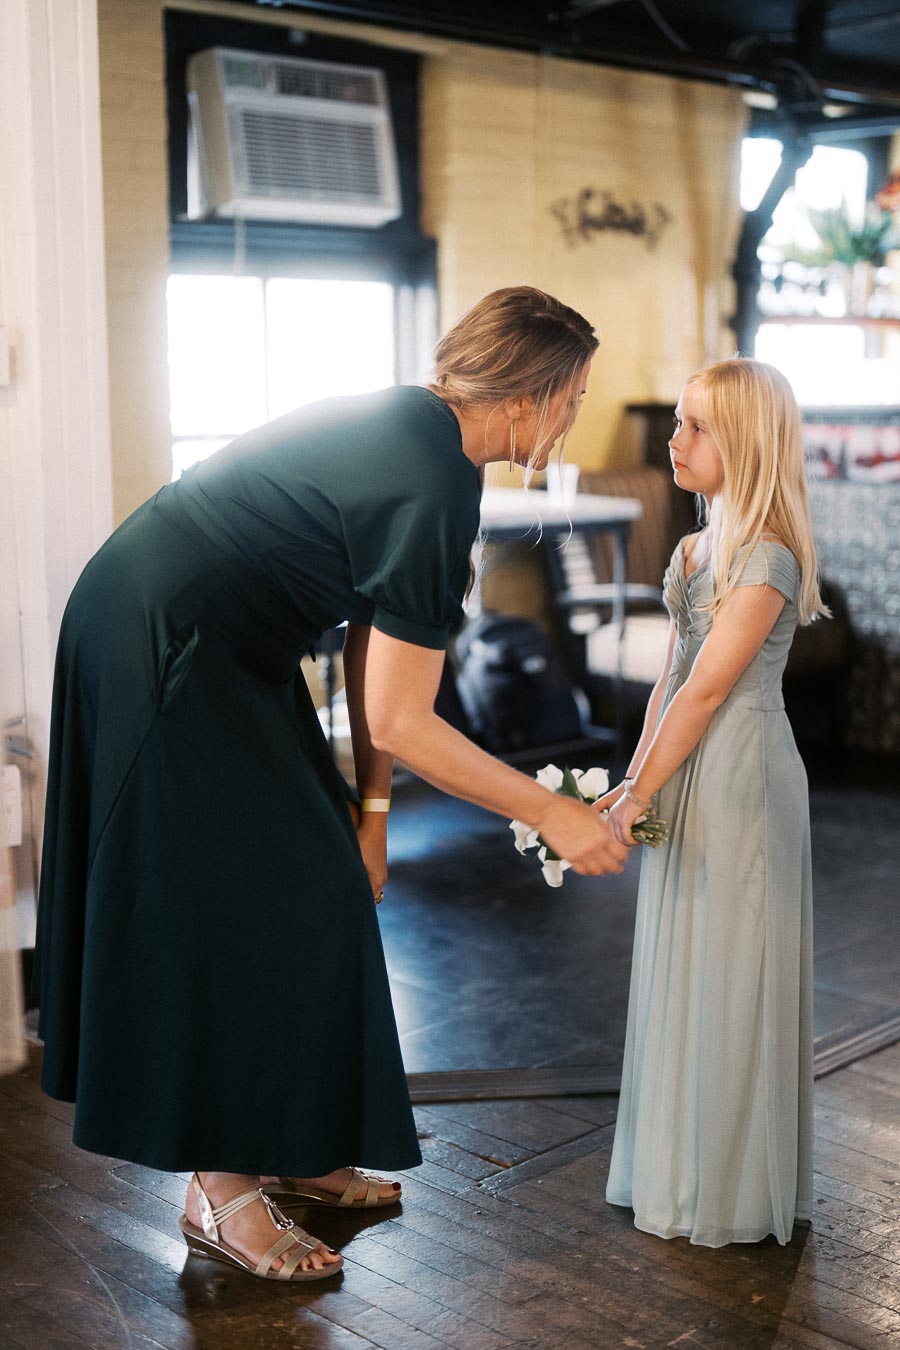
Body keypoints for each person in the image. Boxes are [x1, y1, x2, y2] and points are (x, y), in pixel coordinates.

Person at [34, 286, 629, 1282]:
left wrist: (374, 811)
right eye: (571, 397)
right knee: (244, 899)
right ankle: (221, 1191)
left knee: (326, 874)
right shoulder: (436, 479)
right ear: (529, 395)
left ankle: (297, 1147)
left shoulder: (419, 433)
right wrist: (549, 811)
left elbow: (373, 642)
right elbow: (403, 714)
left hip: (213, 645)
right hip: (165, 647)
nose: (571, 419)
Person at [601, 358, 825, 1247]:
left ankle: (726, 1183)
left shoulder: (765, 553)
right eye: (679, 422)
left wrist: (636, 792)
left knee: (735, 961)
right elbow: (668, 682)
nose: (675, 440)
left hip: (741, 777)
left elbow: (706, 694)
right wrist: (633, 778)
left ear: (746, 443)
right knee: (683, 954)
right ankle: (677, 1163)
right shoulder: (695, 547)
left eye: (696, 427)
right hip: (685, 767)